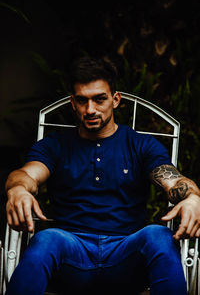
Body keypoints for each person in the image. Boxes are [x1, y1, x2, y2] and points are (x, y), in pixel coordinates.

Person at [5, 56, 200, 295]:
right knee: (46, 239)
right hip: (70, 254)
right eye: (82, 101)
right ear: (72, 103)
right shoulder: (54, 146)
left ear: (115, 100)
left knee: (158, 235)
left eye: (99, 99)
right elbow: (27, 175)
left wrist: (191, 197)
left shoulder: (141, 145)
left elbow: (174, 181)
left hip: (126, 256)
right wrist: (18, 189)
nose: (90, 110)